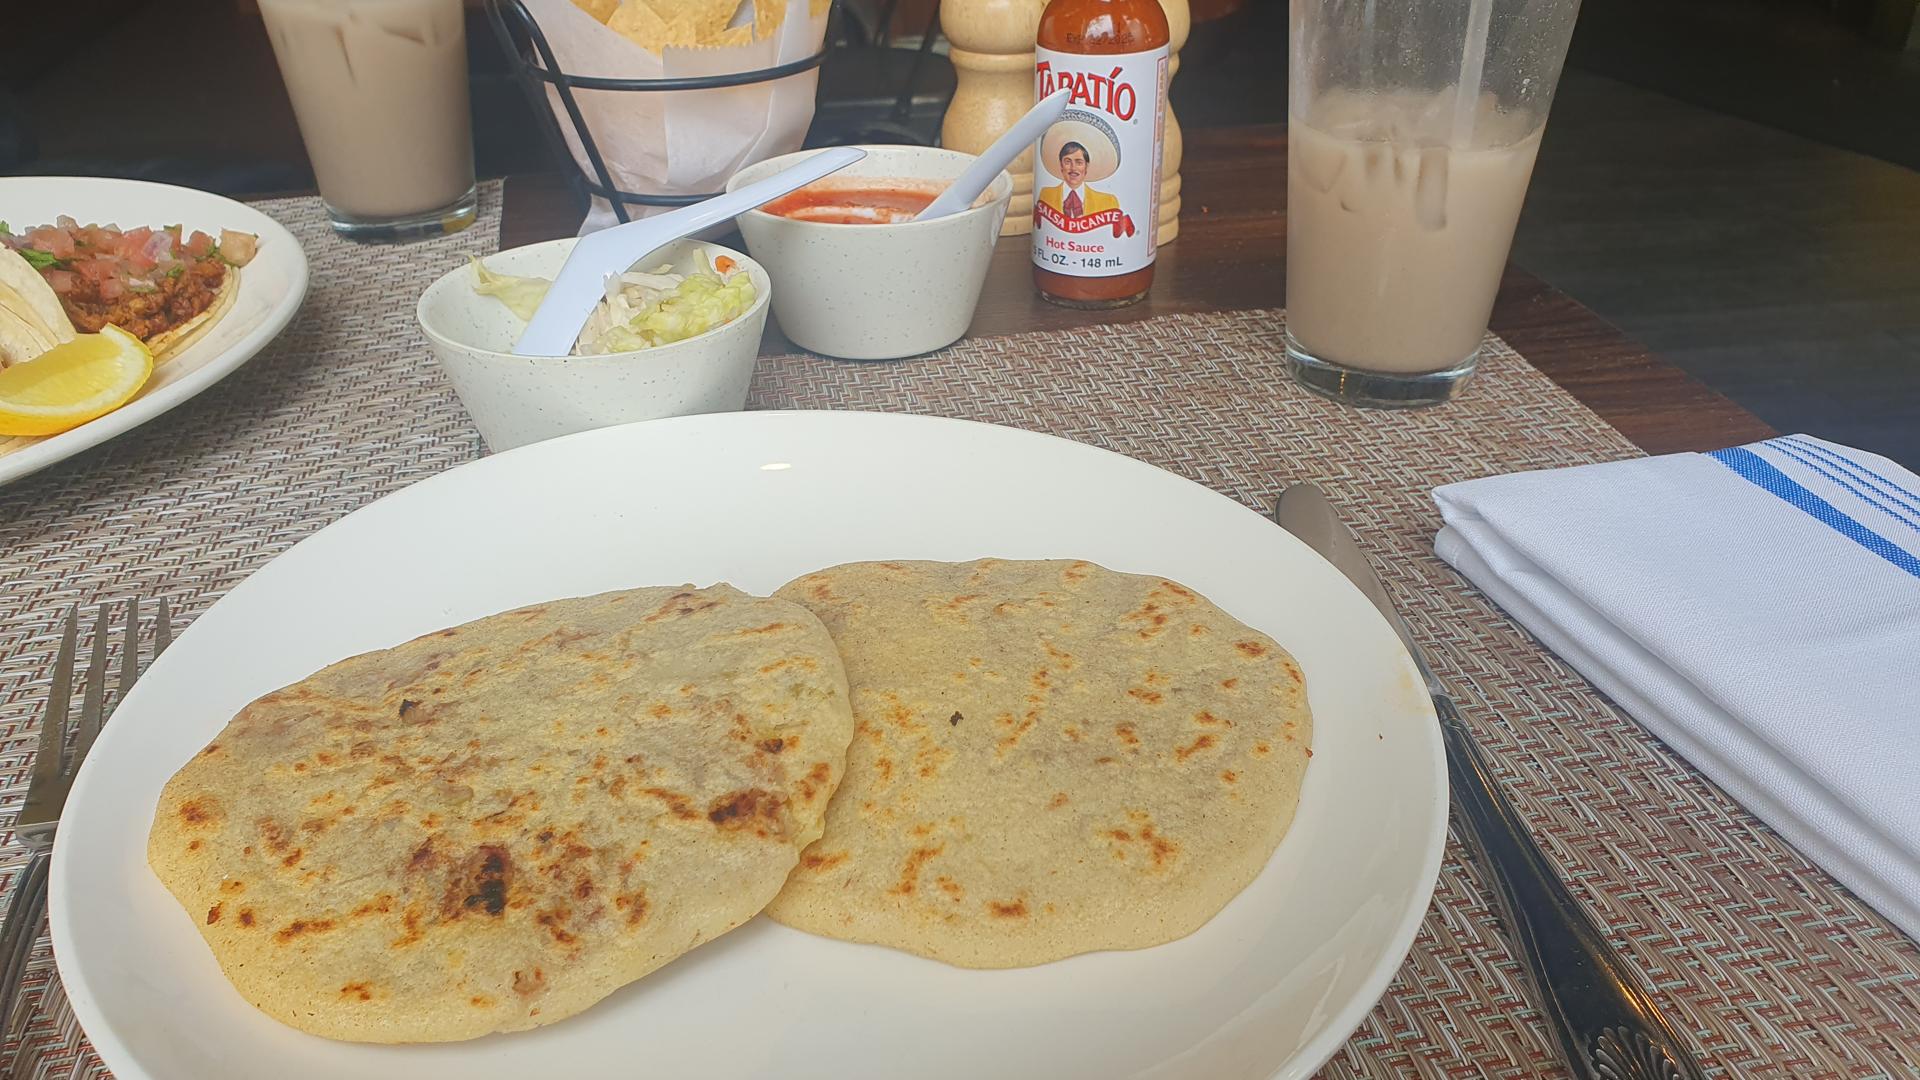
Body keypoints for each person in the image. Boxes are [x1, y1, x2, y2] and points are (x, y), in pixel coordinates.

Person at [1037, 141, 1120, 219]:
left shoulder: (1108, 202)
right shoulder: (1046, 195)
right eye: (1067, 162)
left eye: (1079, 162)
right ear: (1061, 165)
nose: (1073, 168)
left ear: (1086, 166)